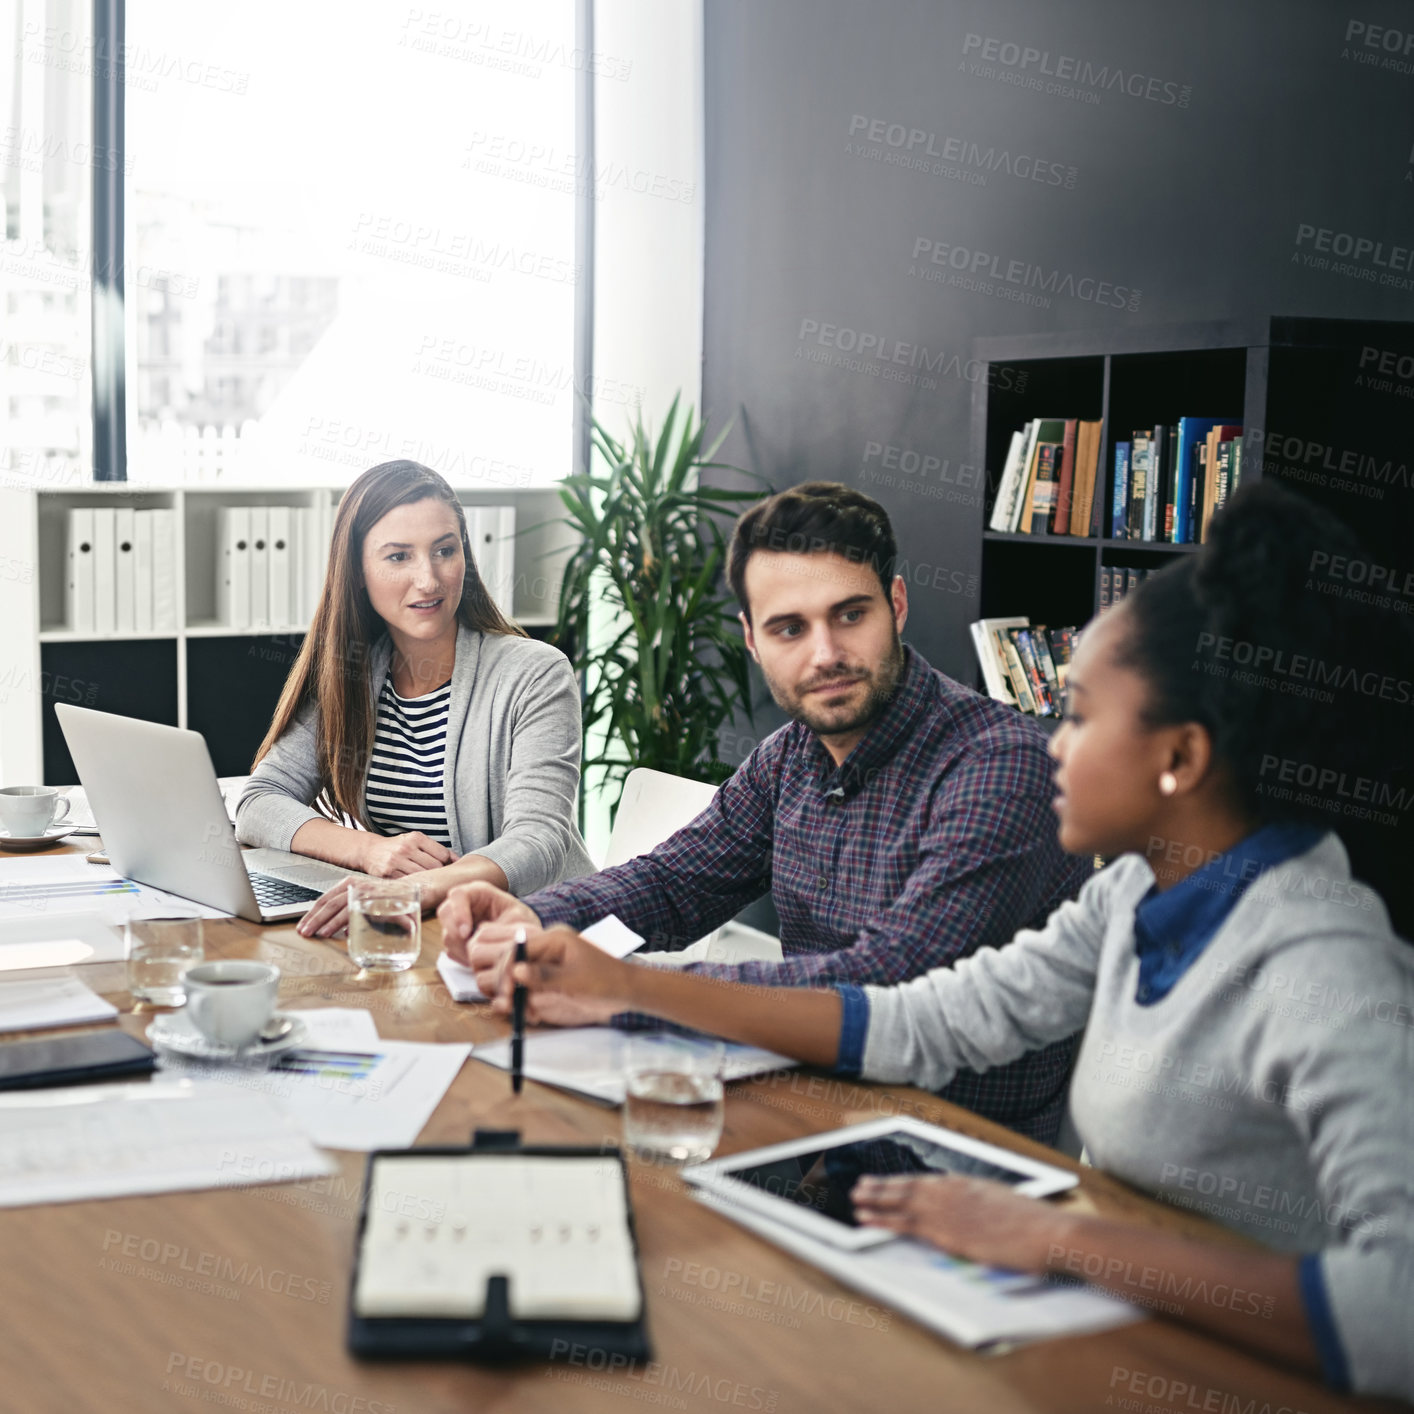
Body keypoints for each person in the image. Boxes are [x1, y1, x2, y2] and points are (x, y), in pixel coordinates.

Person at [471, 481, 1414, 1402]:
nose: (1054, 744)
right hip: (1102, 1315)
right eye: (791, 628)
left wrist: (1056, 1241)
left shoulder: (1323, 967)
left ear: (1179, 759)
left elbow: (1398, 1317)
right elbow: (924, 1016)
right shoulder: (1135, 892)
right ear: (756, 640)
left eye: (1080, 716)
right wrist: (587, 953)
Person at [441, 482, 1093, 1143]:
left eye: (850, 615)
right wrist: (538, 914)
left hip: (950, 1158)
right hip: (801, 1116)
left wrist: (624, 986)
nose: (825, 654)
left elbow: (892, 982)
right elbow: (672, 883)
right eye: (790, 628)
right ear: (752, 640)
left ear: (895, 605)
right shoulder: (789, 757)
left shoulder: (1001, 765)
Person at [234, 460, 593, 935]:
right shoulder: (352, 673)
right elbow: (259, 801)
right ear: (357, 569)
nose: (429, 579)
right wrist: (371, 851)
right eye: (398, 557)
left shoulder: (535, 673)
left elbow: (540, 840)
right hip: (422, 934)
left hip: (538, 936)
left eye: (445, 550)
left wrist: (414, 890)